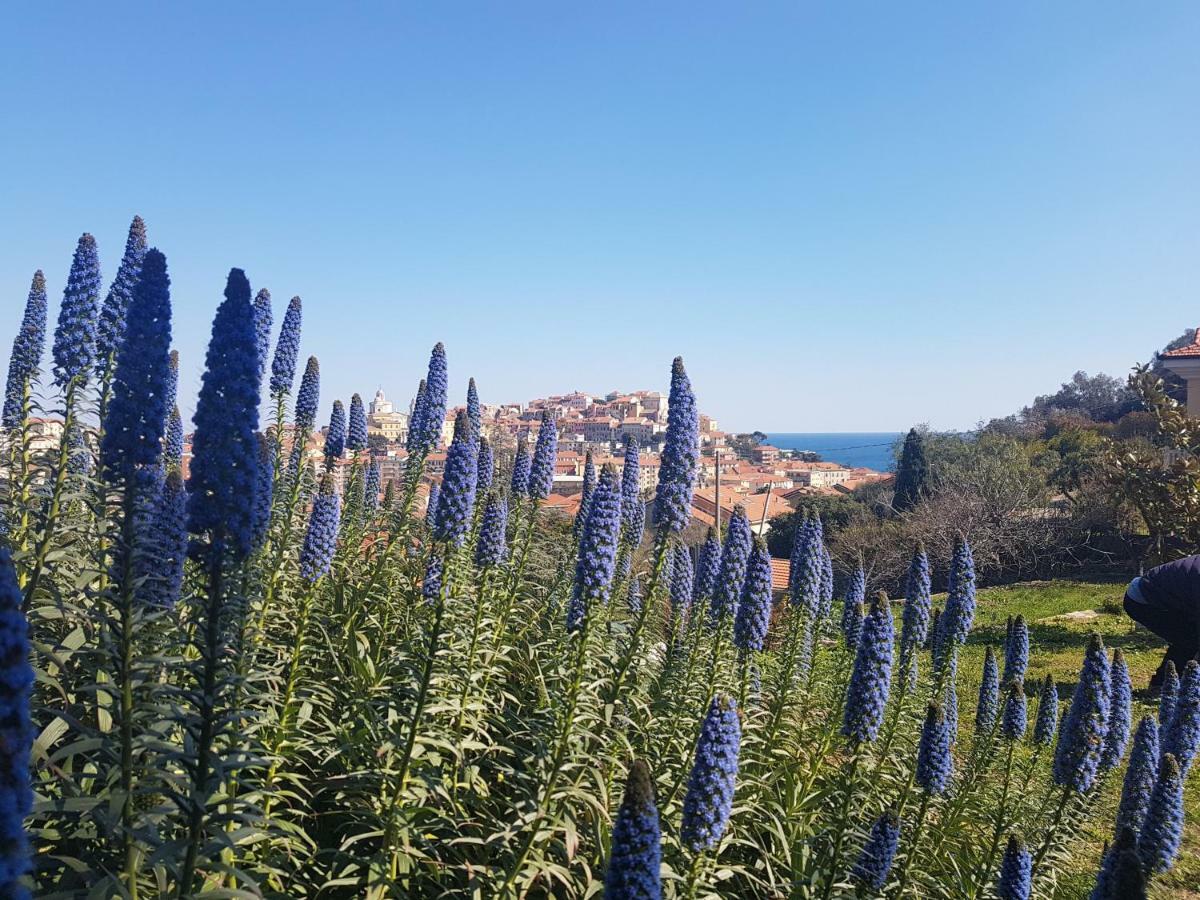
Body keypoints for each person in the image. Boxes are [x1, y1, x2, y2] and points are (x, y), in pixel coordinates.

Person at [1125, 555, 1200, 688]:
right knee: (1189, 639)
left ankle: (1166, 684)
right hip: (1143, 599)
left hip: (1168, 597)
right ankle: (1163, 685)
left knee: (1188, 638)